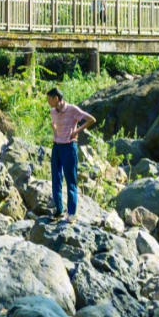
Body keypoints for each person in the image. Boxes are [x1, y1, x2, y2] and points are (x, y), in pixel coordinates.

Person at [46, 85, 95, 220]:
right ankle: (59, 210)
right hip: (56, 147)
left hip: (69, 147)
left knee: (70, 180)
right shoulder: (53, 112)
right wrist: (55, 128)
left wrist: (77, 131)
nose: (48, 102)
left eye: (50, 99)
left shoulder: (72, 110)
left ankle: (72, 213)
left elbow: (91, 119)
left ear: (56, 98)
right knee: (56, 179)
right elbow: (56, 126)